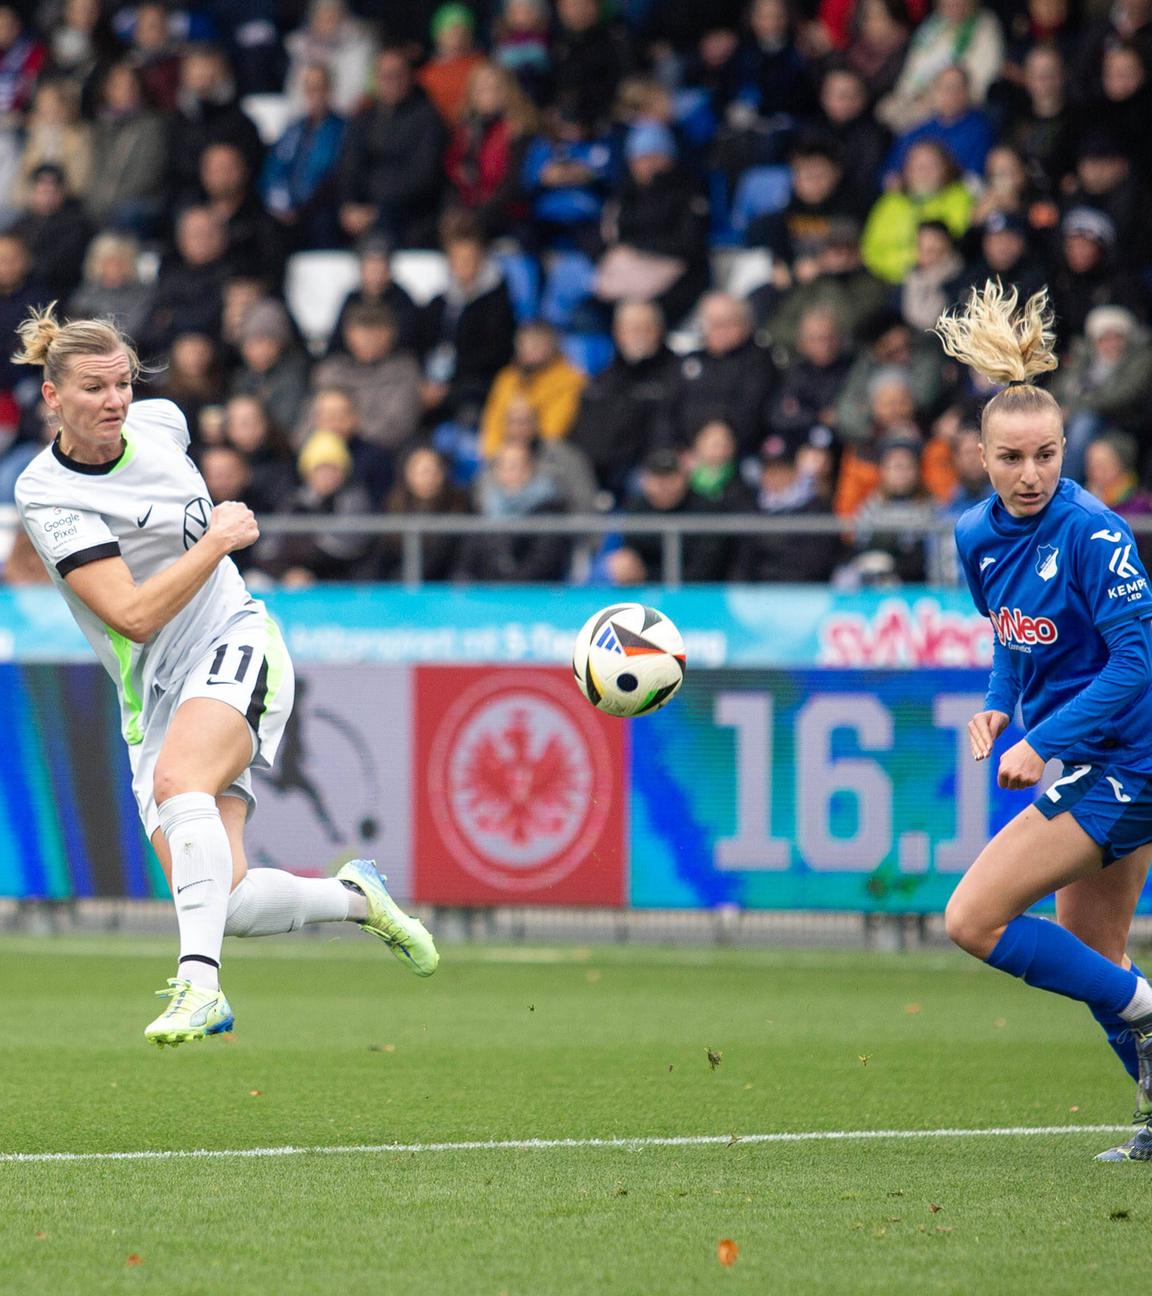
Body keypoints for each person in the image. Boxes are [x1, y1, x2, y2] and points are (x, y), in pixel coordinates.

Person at [12, 306, 438, 1048]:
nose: (113, 401)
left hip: (234, 638)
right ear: (51, 397)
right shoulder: (47, 495)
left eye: (122, 384)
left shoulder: (164, 421)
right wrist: (217, 539)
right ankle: (356, 897)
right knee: (227, 900)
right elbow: (135, 617)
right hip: (152, 688)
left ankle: (200, 987)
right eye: (92, 388)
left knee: (182, 787)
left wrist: (217, 549)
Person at [936, 280, 1152, 1162]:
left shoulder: (1096, 535)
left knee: (972, 918)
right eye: (1012, 458)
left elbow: (1138, 664)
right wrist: (998, 703)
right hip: (1085, 759)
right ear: (981, 457)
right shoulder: (974, 536)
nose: (1031, 475)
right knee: (1094, 951)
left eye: (1048, 456)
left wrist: (1039, 739)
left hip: (1130, 758)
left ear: (1069, 452)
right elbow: (1010, 639)